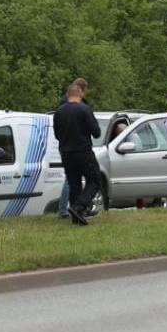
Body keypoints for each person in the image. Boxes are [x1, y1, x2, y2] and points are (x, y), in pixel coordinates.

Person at [54, 80, 104, 226]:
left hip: (66, 153)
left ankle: (77, 217)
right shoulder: (84, 109)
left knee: (74, 183)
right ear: (80, 94)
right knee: (95, 180)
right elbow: (96, 132)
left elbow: (57, 135)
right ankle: (79, 207)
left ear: (68, 95)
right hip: (83, 151)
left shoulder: (59, 112)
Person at [56, 77, 88, 219]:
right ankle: (67, 208)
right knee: (71, 179)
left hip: (65, 144)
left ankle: (73, 207)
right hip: (73, 146)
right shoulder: (74, 105)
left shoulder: (63, 103)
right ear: (80, 89)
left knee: (72, 178)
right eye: (85, 91)